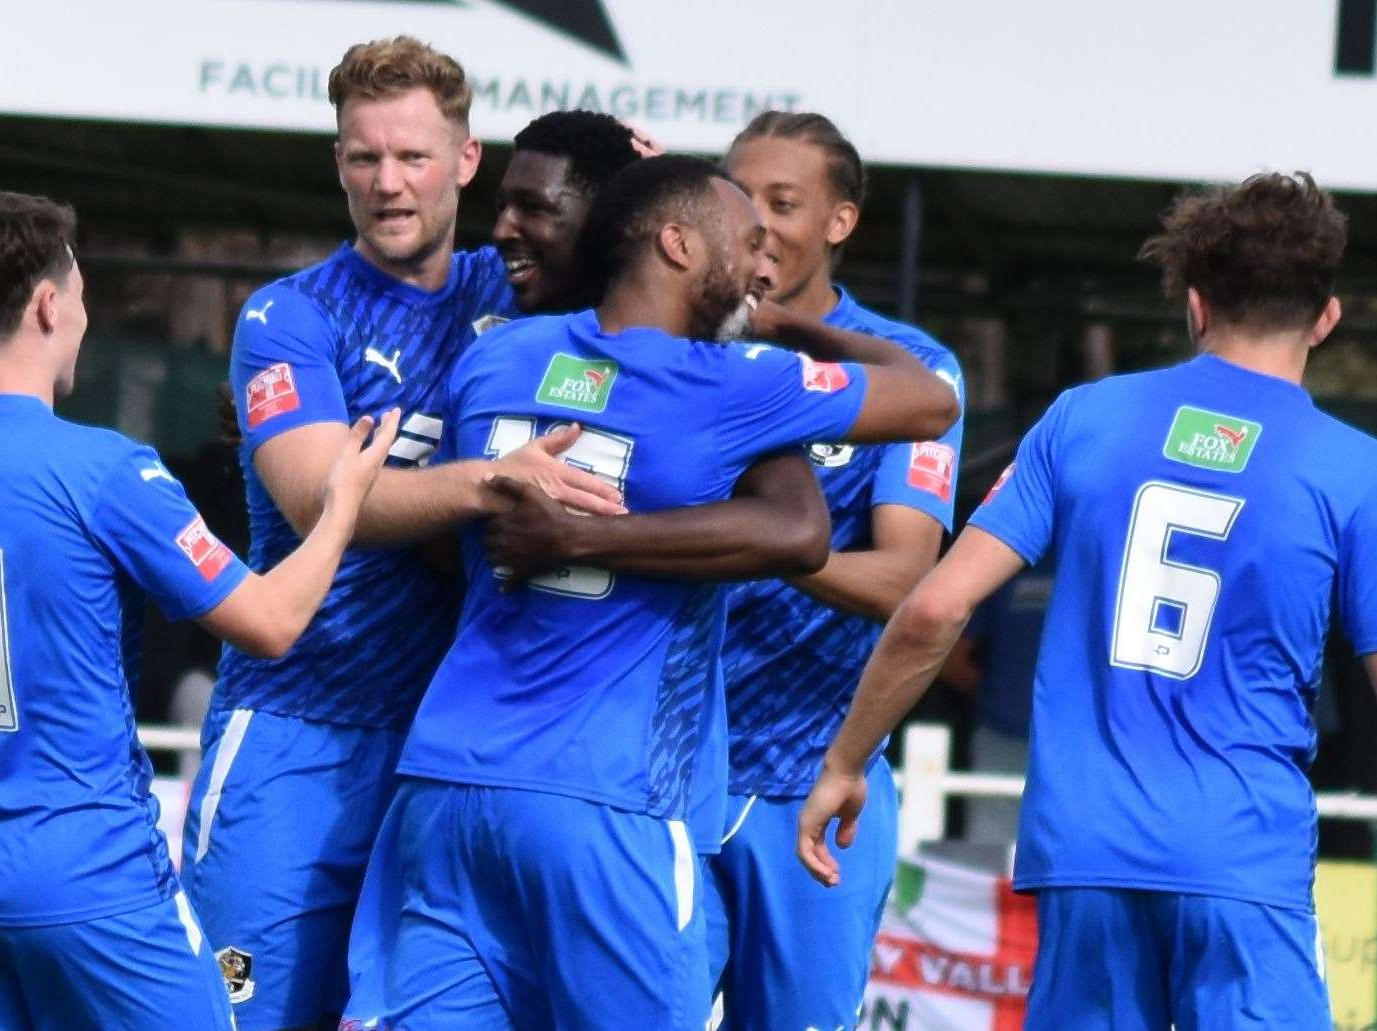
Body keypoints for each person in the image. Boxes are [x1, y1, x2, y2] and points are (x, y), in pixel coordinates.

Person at [344, 155, 959, 1029]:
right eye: (745, 241)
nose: (758, 264)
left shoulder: (501, 357)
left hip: (446, 782)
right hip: (609, 796)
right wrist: (781, 325)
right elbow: (928, 400)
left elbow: (448, 543)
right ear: (676, 243)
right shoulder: (727, 382)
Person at [799, 172, 1377, 1030]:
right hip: (1240, 862)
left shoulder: (1081, 419)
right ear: (1326, 318)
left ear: (1195, 305)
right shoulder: (1362, 474)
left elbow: (932, 611)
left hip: (1084, 854)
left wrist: (842, 763)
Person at [0, 188, 399, 1029]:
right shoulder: (105, 471)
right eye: (84, 293)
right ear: (47, 304)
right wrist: (343, 502)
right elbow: (273, 622)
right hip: (93, 887)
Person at [178, 40, 622, 1031]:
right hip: (294, 734)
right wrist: (491, 477)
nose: (387, 182)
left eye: (413, 156)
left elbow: (650, 264)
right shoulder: (287, 314)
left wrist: (632, 183)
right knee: (236, 1014)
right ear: (337, 163)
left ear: (465, 161)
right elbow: (319, 503)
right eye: (362, 157)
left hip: (448, 752)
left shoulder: (514, 291)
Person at [682, 111, 964, 1030]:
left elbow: (901, 583)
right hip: (663, 776)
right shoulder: (678, 349)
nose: (756, 223)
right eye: (741, 197)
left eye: (784, 202)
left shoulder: (910, 371)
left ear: (838, 222)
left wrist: (766, 540)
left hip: (813, 784)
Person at [941, 557, 1053, 846]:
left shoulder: (1101, 562)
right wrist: (995, 699)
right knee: (990, 852)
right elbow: (949, 652)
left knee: (1072, 855)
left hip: (1080, 744)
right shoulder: (1005, 559)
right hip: (1000, 737)